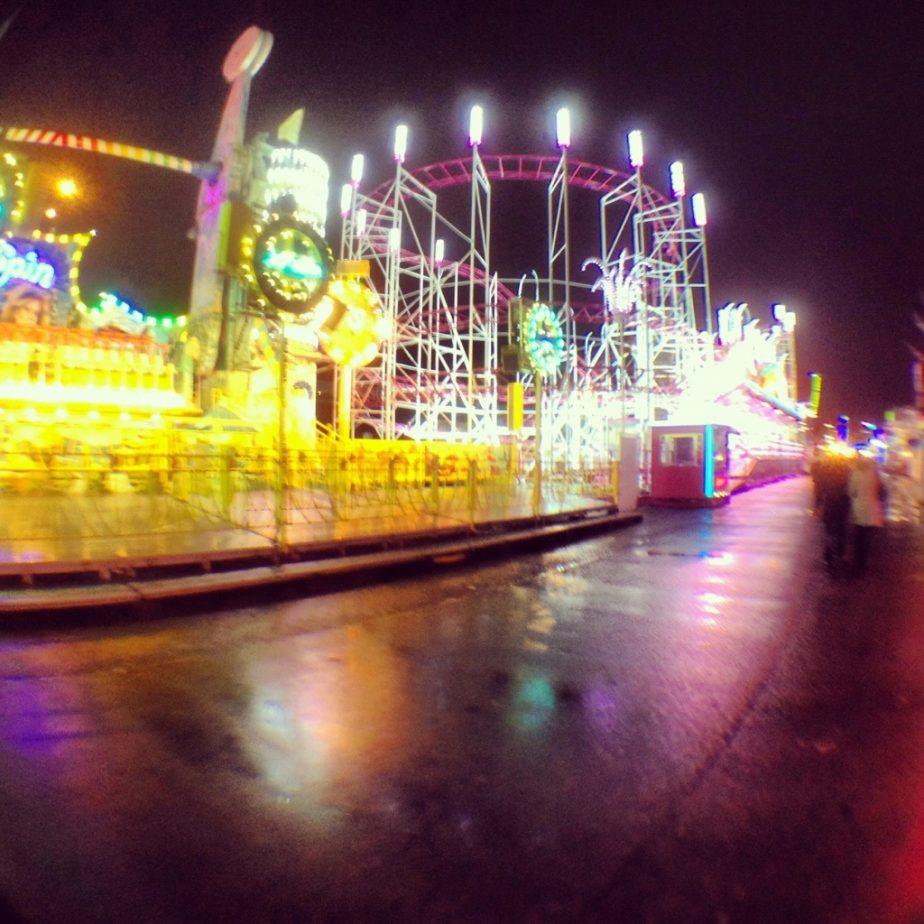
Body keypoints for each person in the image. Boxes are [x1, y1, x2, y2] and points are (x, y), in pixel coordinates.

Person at [847, 453, 885, 575]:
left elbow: (851, 491)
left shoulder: (855, 474)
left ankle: (858, 561)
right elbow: (881, 491)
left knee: (858, 536)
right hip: (872, 509)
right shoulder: (874, 475)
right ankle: (864, 561)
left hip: (859, 508)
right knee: (868, 537)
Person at [816, 452, 851, 568]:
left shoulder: (826, 473)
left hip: (829, 505)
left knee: (829, 530)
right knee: (841, 530)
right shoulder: (846, 473)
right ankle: (840, 551)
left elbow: (820, 490)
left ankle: (828, 554)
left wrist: (818, 504)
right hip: (842, 505)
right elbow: (850, 490)